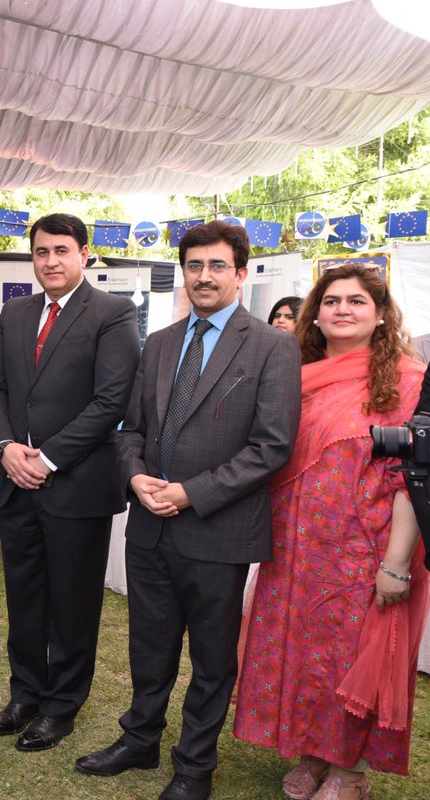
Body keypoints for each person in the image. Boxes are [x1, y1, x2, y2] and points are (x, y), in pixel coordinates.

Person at [76, 221, 301, 800]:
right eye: (195, 265)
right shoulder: (160, 342)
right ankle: (140, 740)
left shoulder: (273, 346)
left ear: (241, 274)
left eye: (217, 265)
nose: (204, 276)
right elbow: (131, 429)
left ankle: (195, 767)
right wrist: (135, 475)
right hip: (149, 524)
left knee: (211, 659)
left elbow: (272, 446)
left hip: (218, 530)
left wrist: (191, 493)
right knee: (148, 646)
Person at [234, 264, 428, 800]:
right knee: (306, 652)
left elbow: (413, 478)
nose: (343, 309)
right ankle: (314, 752)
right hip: (295, 547)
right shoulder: (296, 376)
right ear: (315, 315)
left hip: (367, 547)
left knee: (354, 655)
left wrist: (396, 563)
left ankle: (352, 770)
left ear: (381, 314)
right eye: (332, 300)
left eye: (357, 301)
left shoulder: (407, 381)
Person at [0, 213, 140, 750]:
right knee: (24, 598)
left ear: (84, 254)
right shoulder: (17, 312)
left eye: (61, 250)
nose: (50, 261)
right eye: (41, 251)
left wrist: (46, 459)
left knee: (72, 605)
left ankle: (61, 706)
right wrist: (6, 448)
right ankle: (25, 694)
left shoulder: (113, 313)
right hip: (17, 481)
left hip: (75, 485)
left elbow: (110, 401)